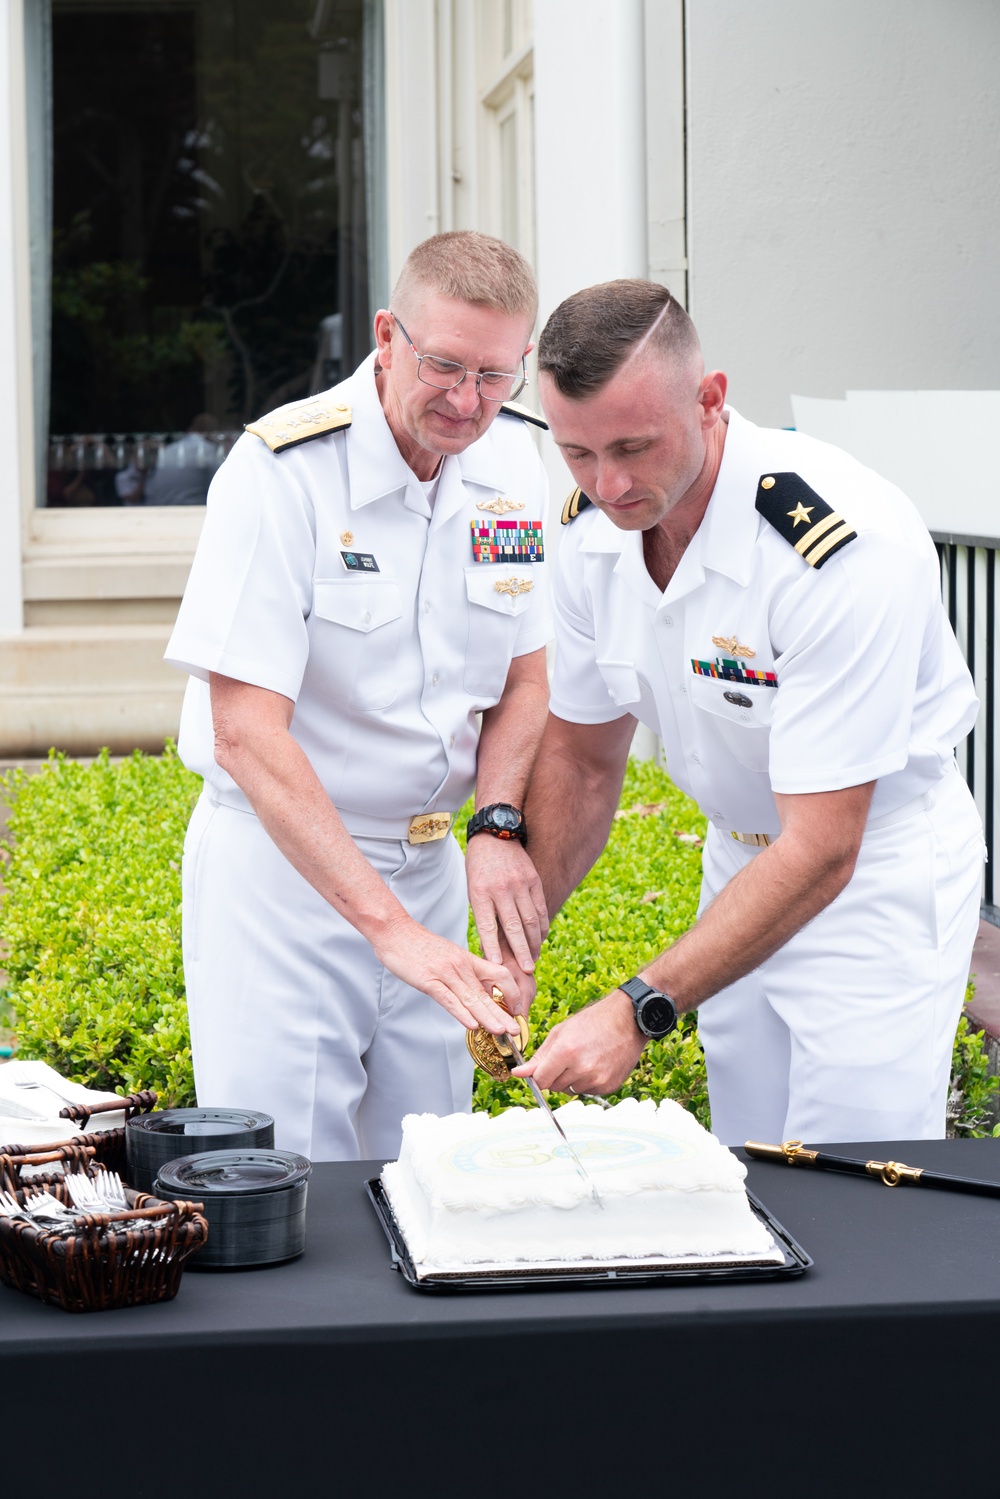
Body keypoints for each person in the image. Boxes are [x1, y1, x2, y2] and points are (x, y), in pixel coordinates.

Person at [513, 278, 984, 1146]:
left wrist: (636, 1009)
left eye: (633, 446)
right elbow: (582, 759)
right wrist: (515, 947)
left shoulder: (837, 548)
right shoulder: (589, 537)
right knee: (748, 1163)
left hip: (871, 870)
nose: (607, 484)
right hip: (740, 856)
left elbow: (825, 844)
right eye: (576, 453)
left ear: (711, 398)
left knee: (854, 1172)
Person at [165, 232, 552, 1161]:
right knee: (286, 1180)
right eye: (444, 365)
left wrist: (496, 826)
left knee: (430, 1171)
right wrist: (390, 931)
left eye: (497, 377)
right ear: (387, 335)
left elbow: (525, 677)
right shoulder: (280, 473)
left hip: (430, 871)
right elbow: (247, 734)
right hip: (285, 878)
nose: (468, 402)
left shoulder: (515, 469)